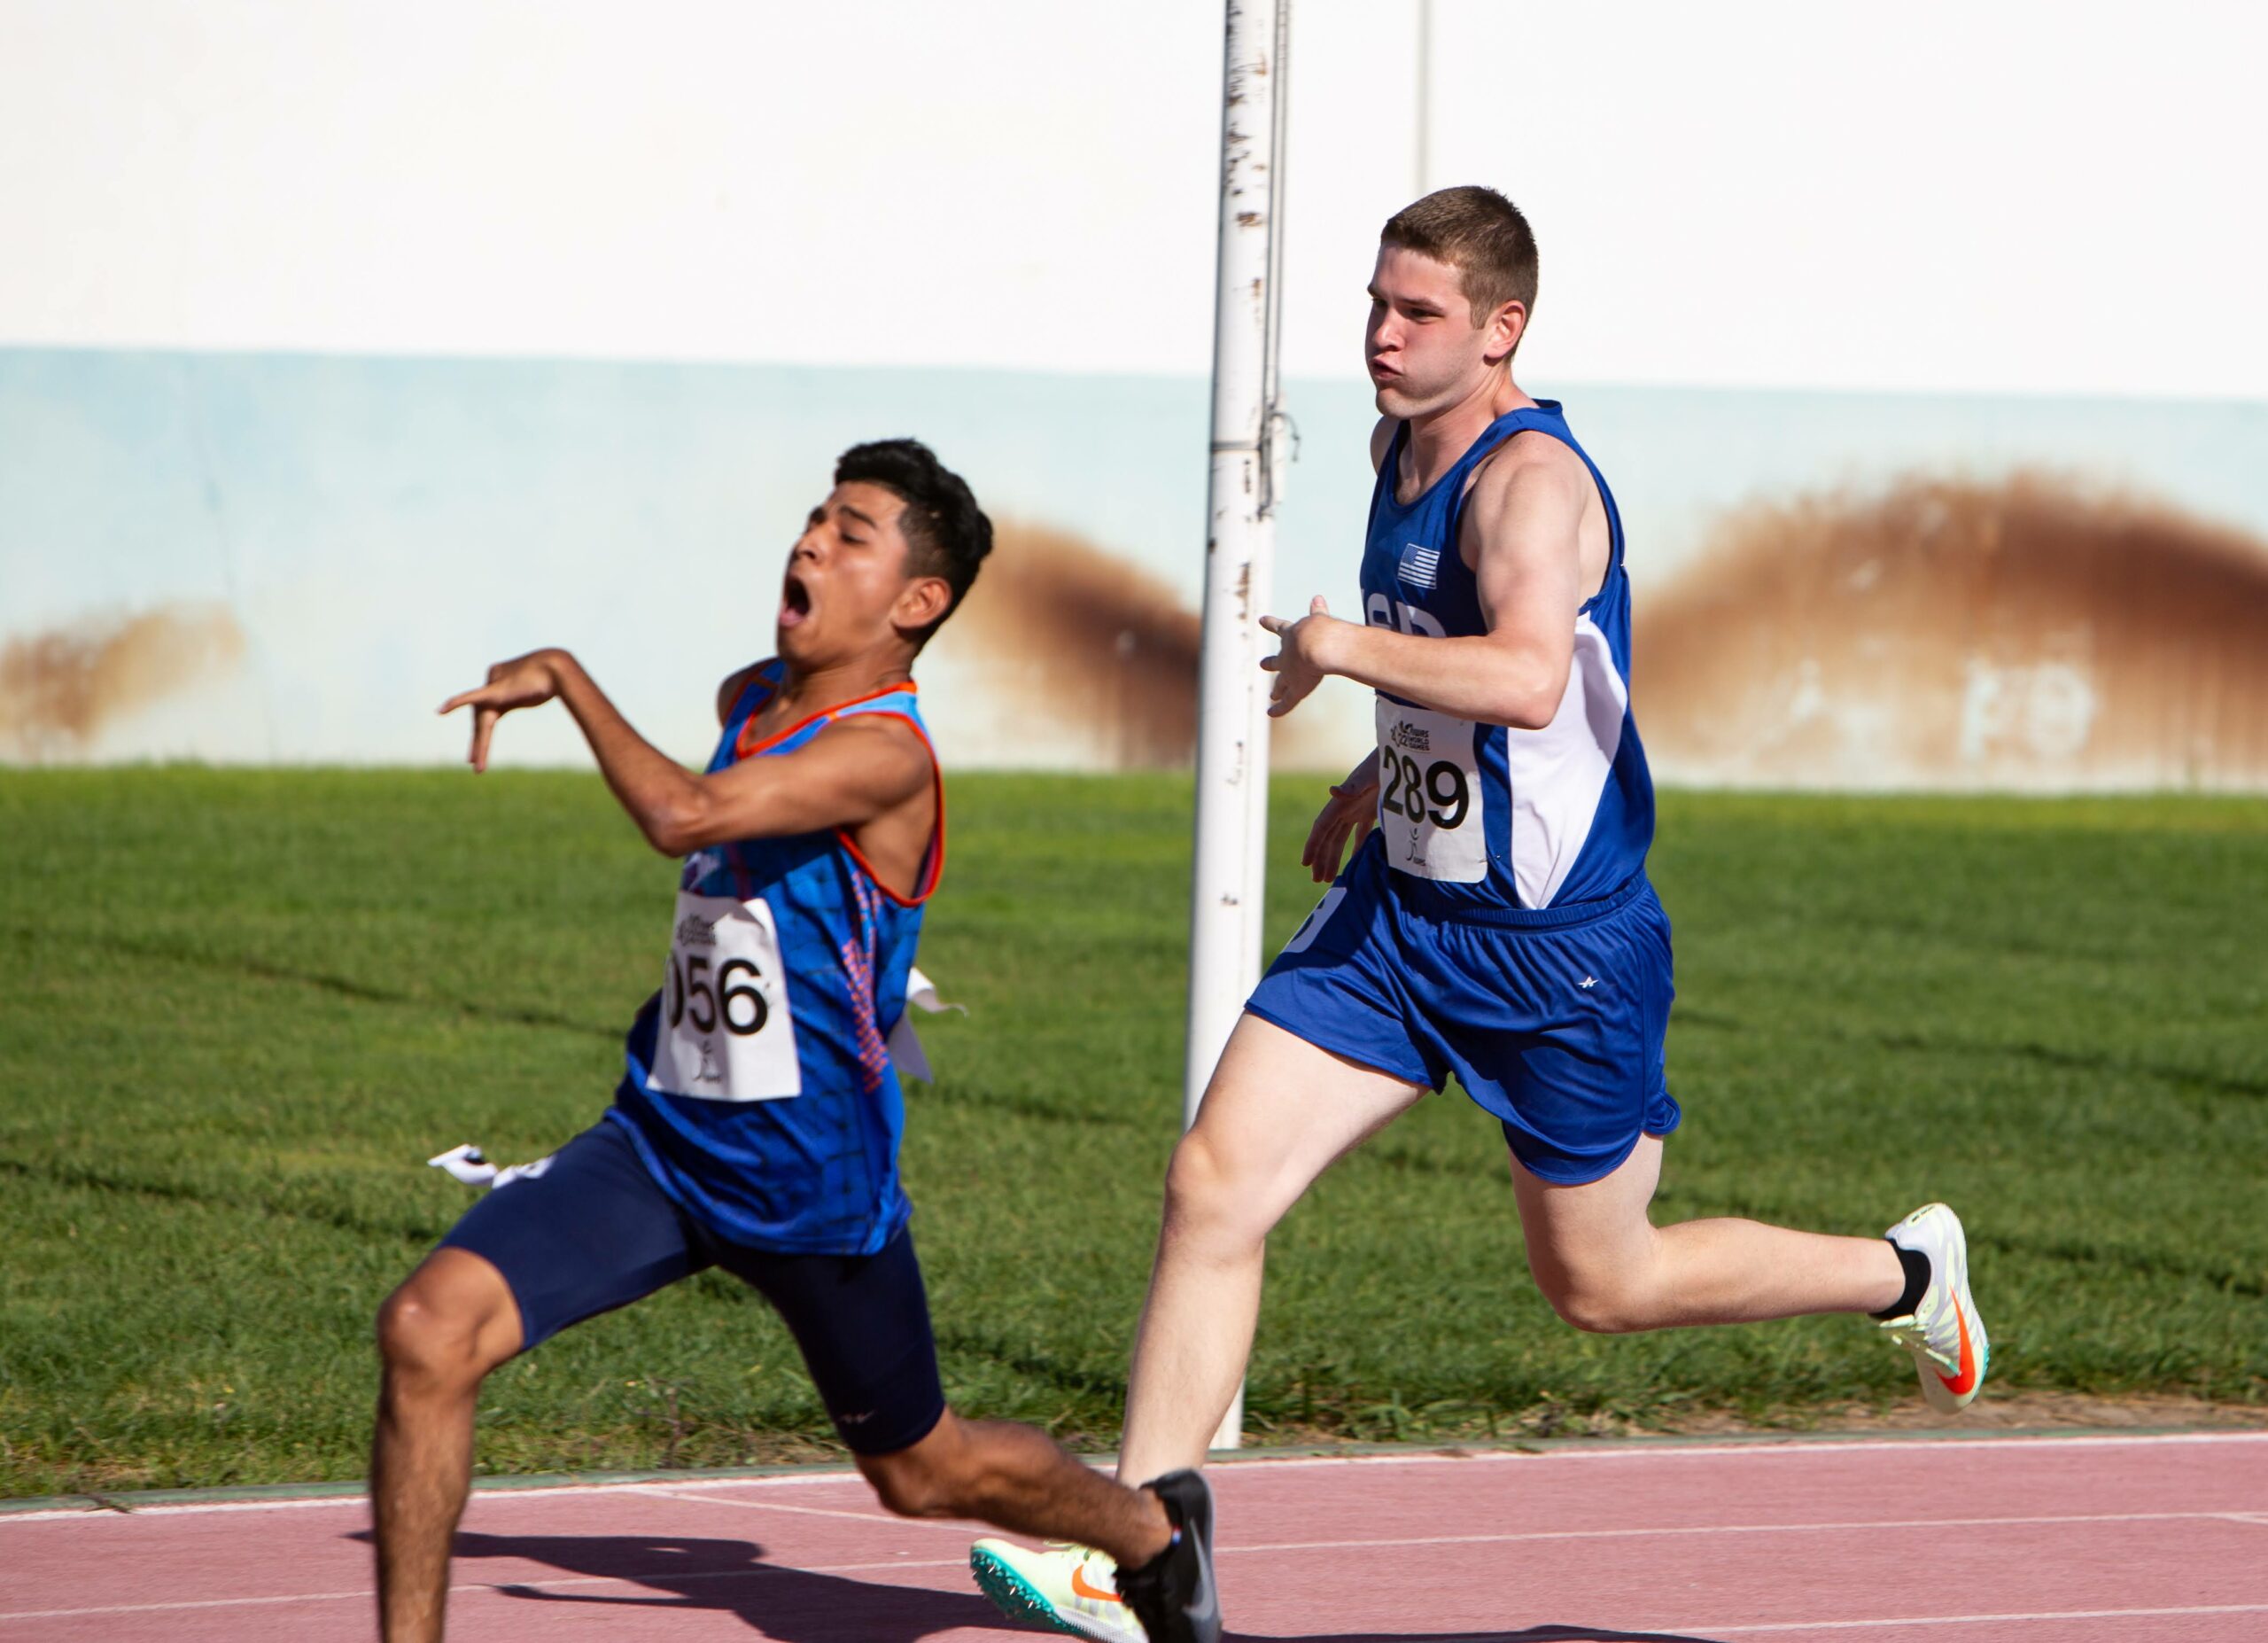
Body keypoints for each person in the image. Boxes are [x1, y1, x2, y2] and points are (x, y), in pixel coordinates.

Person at [969, 188, 1987, 1641]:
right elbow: (1460, 676)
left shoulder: (1532, 487)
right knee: (1214, 1181)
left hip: (1556, 952)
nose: (1382, 335)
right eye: (1375, 304)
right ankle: (1141, 1550)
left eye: (1419, 312)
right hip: (1401, 921)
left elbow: (1524, 674)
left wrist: (1338, 647)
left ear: (1502, 329)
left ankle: (1904, 1272)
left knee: (1603, 1283)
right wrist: (1383, 781)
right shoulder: (1398, 447)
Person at [371, 439, 1215, 1643]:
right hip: (661, 1144)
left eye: (850, 533)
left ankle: (1150, 1534)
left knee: (921, 1470)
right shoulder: (751, 701)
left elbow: (682, 814)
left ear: (918, 602)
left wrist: (563, 674)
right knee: (426, 1330)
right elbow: (730, 768)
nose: (810, 539)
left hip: (811, 1178)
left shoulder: (886, 755)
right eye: (816, 518)